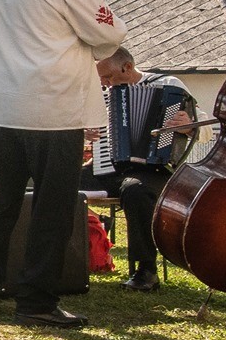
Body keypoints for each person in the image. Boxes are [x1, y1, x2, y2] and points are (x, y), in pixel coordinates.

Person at [0, 0, 127, 328]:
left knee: (1, 202)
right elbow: (109, 33)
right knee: (52, 209)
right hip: (53, 107)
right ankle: (36, 300)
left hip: (2, 105)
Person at [81, 48, 194, 292]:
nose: (104, 83)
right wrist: (85, 132)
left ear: (128, 67)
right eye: (100, 78)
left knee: (136, 192)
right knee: (56, 180)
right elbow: (85, 125)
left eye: (108, 77)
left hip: (152, 169)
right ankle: (64, 259)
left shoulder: (168, 85)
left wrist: (189, 126)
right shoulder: (101, 95)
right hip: (106, 166)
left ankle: (146, 271)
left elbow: (201, 127)